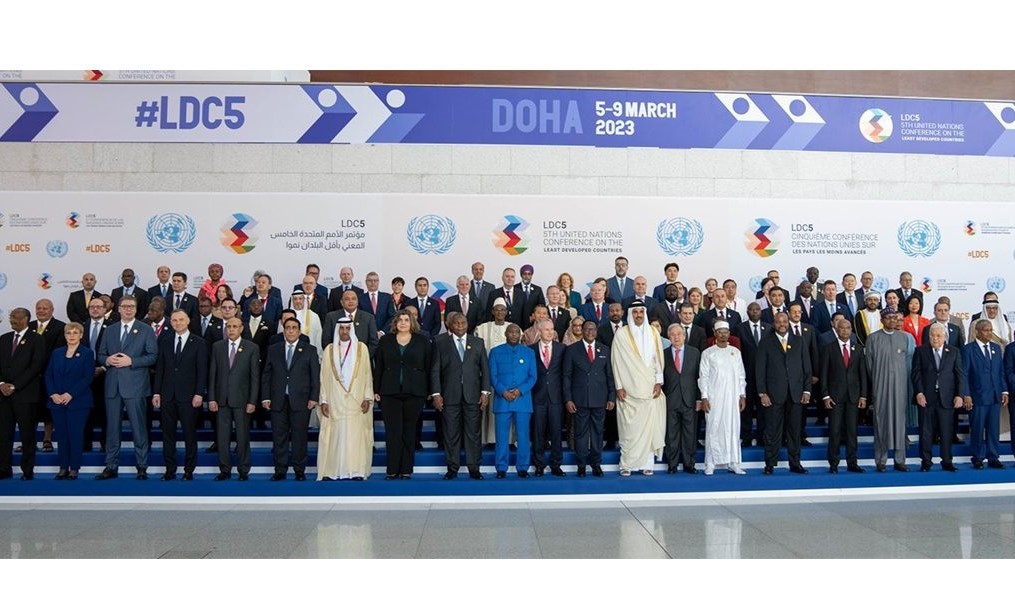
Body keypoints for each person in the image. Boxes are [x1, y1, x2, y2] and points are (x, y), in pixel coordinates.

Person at [95, 295, 158, 480]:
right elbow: (100, 354)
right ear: (119, 309)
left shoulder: (146, 330)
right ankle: (111, 465)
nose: (128, 309)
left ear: (136, 309)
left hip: (136, 386)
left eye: (132, 306)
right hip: (113, 386)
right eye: (125, 306)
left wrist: (132, 361)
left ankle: (142, 466)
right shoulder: (110, 330)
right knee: (112, 429)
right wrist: (107, 360)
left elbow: (153, 356)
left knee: (139, 428)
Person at [431, 312, 492, 480]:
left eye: (463, 323)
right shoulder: (440, 342)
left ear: (467, 324)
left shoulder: (478, 342)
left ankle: (474, 468)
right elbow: (435, 370)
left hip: (473, 396)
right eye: (456, 323)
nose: (460, 326)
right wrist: (436, 393)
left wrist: (485, 392)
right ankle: (452, 468)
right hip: (449, 396)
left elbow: (485, 369)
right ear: (450, 325)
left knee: (473, 434)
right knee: (451, 434)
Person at [374, 311, 431, 480]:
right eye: (400, 320)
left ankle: (406, 469)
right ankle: (392, 469)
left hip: (415, 392)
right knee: (393, 432)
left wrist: (429, 390)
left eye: (407, 320)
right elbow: (379, 367)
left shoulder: (422, 341)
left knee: (409, 431)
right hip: (389, 392)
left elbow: (428, 367)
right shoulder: (385, 341)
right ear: (395, 323)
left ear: (412, 322)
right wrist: (376, 390)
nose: (403, 323)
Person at [611, 300, 666, 476]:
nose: (638, 315)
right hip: (628, 390)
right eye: (635, 312)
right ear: (630, 314)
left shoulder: (653, 332)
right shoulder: (621, 334)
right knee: (629, 429)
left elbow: (658, 360)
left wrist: (659, 382)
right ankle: (627, 464)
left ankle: (647, 464)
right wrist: (619, 386)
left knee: (648, 428)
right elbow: (616, 362)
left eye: (641, 312)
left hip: (649, 388)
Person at [151, 309, 207, 481]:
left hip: (189, 397)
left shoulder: (199, 342)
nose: (178, 323)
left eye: (181, 320)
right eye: (174, 320)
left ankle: (189, 470)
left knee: (189, 434)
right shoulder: (165, 340)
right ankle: (170, 470)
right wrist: (157, 392)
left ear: (188, 321)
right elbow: (160, 369)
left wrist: (199, 393)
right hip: (167, 395)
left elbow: (202, 371)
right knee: (168, 435)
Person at [262, 317, 319, 481]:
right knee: (279, 437)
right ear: (284, 330)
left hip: (301, 400)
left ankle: (299, 470)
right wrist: (265, 397)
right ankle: (280, 470)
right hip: (277, 400)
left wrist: (314, 397)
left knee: (299, 437)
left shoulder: (310, 350)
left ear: (299, 331)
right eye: (288, 328)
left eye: (294, 328)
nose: (291, 331)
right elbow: (266, 375)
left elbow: (315, 376)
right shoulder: (274, 349)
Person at [317, 317, 373, 481]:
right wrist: (324, 400)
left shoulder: (361, 349)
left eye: (347, 328)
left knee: (355, 437)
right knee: (335, 436)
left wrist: (367, 397)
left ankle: (356, 471)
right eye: (341, 328)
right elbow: (323, 377)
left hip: (356, 399)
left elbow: (367, 374)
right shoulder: (329, 350)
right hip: (334, 399)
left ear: (352, 329)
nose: (344, 331)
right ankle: (332, 471)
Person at [756, 311, 812, 475]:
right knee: (772, 431)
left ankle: (795, 463)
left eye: (785, 321)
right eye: (779, 322)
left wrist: (807, 390)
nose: (782, 324)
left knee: (794, 431)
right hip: (773, 395)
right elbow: (760, 369)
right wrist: (762, 393)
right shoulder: (766, 342)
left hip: (795, 394)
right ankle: (770, 464)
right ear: (774, 324)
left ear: (788, 323)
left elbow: (806, 368)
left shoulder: (799, 341)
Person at [208, 317, 260, 481]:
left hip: (242, 400)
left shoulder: (252, 348)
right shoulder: (217, 347)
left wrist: (252, 401)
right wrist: (211, 398)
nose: (231, 329)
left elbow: (255, 377)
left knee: (242, 436)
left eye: (235, 326)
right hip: (221, 400)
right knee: (222, 438)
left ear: (241, 328)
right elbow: (212, 374)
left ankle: (243, 470)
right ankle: (224, 470)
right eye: (229, 326)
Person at [563, 320, 616, 477]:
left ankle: (596, 464)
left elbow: (609, 375)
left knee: (598, 433)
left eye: (592, 329)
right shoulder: (572, 350)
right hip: (580, 399)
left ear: (596, 331)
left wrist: (611, 397)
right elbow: (566, 377)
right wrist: (568, 399)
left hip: (600, 399)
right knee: (580, 433)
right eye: (586, 329)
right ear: (582, 330)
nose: (589, 332)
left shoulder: (605, 349)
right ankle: (581, 465)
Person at [0, 308, 48, 480]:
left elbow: (36, 366)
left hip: (26, 395)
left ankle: (27, 470)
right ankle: (4, 469)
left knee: (27, 435)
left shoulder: (37, 339)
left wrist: (15, 386)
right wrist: (2, 384)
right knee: (4, 434)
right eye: (11, 317)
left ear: (26, 319)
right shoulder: (4, 339)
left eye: (17, 317)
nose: (13, 320)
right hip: (4, 396)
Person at [43, 322, 94, 481]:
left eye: (75, 332)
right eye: (69, 333)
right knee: (61, 435)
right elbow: (48, 375)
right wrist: (53, 394)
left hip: (78, 402)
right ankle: (63, 467)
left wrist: (70, 394)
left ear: (81, 335)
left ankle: (74, 468)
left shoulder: (87, 353)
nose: (72, 336)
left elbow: (87, 377)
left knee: (75, 434)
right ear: (65, 335)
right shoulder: (56, 353)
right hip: (57, 402)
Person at [913, 323, 966, 472]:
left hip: (947, 398)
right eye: (932, 335)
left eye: (938, 336)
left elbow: (959, 375)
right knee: (926, 432)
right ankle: (926, 462)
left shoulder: (954, 351)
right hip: (926, 398)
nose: (935, 338)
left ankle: (947, 461)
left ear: (944, 337)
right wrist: (919, 393)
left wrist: (959, 395)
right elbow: (916, 374)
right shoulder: (920, 351)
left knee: (946, 432)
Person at [819, 318, 868, 473]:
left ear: (851, 330)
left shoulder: (858, 348)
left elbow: (863, 374)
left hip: (853, 397)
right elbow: (823, 374)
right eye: (842, 328)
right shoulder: (828, 348)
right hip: (835, 397)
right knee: (834, 431)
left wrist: (863, 396)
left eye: (848, 328)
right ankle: (833, 463)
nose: (845, 330)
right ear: (836, 329)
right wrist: (825, 396)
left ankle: (852, 463)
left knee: (852, 431)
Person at [698, 320, 747, 475]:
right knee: (713, 428)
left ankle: (733, 462)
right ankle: (710, 463)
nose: (723, 335)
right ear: (715, 333)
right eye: (720, 332)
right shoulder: (708, 353)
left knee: (733, 428)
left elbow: (741, 375)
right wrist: (704, 397)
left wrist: (742, 395)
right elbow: (703, 377)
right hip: (714, 398)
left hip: (732, 397)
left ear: (729, 333)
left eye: (726, 332)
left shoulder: (735, 352)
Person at [865, 308, 911, 472]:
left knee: (900, 422)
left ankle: (900, 460)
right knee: (881, 421)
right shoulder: (873, 338)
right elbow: (869, 366)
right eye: (889, 318)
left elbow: (905, 363)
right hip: (881, 386)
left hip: (899, 387)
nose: (892, 320)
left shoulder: (903, 338)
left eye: (895, 318)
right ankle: (881, 460)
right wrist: (879, 380)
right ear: (882, 320)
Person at [489, 323, 537, 478]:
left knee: (523, 436)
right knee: (501, 436)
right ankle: (501, 468)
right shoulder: (495, 352)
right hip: (502, 400)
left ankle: (522, 467)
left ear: (520, 335)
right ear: (506, 334)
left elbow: (533, 377)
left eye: (517, 332)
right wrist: (503, 391)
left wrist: (519, 390)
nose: (514, 335)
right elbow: (492, 376)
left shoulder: (529, 352)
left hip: (522, 401)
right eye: (511, 332)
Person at [962, 319, 1009, 469]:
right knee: (977, 429)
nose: (989, 333)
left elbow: (1000, 372)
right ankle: (977, 457)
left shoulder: (996, 348)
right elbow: (964, 374)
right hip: (977, 397)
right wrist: (966, 394)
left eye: (990, 330)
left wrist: (1004, 390)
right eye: (985, 330)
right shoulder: (968, 349)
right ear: (977, 332)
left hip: (995, 396)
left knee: (993, 430)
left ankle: (993, 457)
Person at [29, 298, 66, 452]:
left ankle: (47, 439)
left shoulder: (61, 327)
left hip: (49, 375)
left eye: (45, 308)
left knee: (48, 410)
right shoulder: (29, 326)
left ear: (52, 310)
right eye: (39, 308)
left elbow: (58, 352)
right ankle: (28, 442)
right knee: (29, 411)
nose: (41, 311)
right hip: (29, 378)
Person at [662, 324, 700, 474]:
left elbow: (699, 377)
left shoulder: (694, 353)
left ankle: (689, 463)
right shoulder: (663, 354)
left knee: (690, 434)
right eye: (673, 334)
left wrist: (699, 399)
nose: (676, 337)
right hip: (670, 400)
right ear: (669, 337)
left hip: (690, 399)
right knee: (671, 434)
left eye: (679, 334)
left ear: (684, 336)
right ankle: (672, 464)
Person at [530, 318, 565, 477]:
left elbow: (565, 374)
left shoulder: (562, 349)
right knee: (538, 433)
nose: (550, 332)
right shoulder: (530, 350)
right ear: (539, 331)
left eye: (552, 329)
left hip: (556, 397)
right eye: (546, 329)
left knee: (556, 432)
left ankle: (556, 464)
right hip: (537, 396)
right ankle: (539, 465)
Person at [737, 302, 770, 447]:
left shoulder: (769, 328)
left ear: (761, 311)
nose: (755, 312)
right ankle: (746, 437)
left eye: (757, 309)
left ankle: (762, 436)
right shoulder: (739, 328)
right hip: (746, 375)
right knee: (747, 408)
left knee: (763, 409)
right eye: (751, 309)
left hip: (765, 375)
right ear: (747, 312)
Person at [359, 271, 396, 335]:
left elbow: (392, 316)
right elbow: (359, 317)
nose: (373, 283)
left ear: (378, 282)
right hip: (366, 335)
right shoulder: (360, 298)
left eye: (375, 280)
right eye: (370, 280)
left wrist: (382, 332)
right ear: (366, 282)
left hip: (384, 335)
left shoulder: (387, 297)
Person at [290, 289, 323, 357]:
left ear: (304, 300)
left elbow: (318, 336)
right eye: (295, 299)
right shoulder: (287, 316)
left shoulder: (314, 316)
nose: (298, 301)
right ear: (292, 301)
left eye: (300, 299)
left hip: (309, 352)